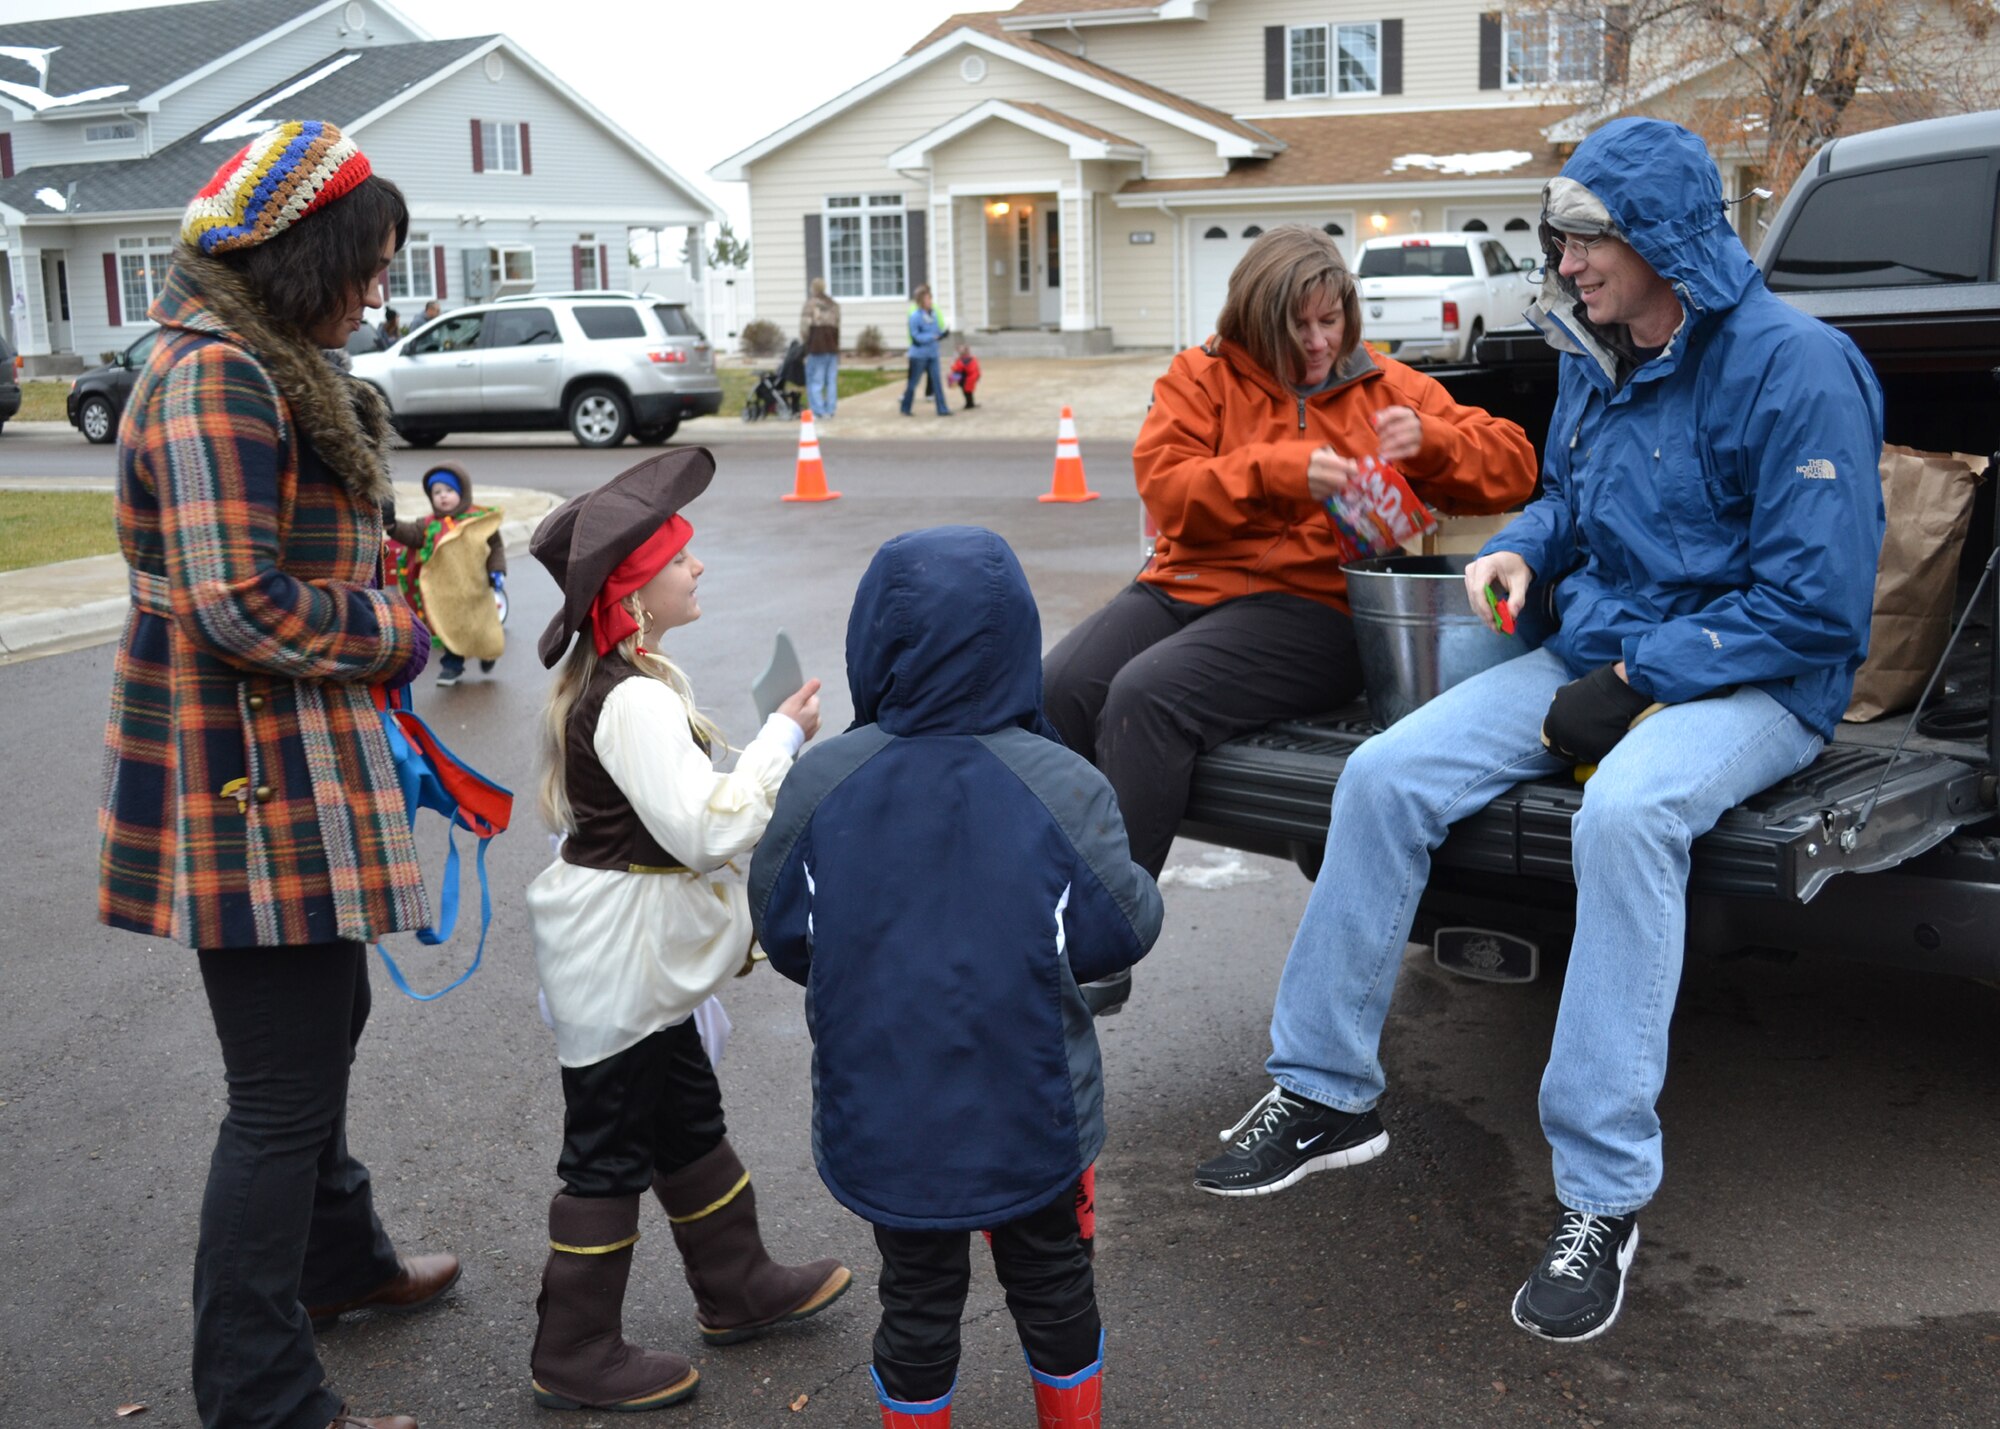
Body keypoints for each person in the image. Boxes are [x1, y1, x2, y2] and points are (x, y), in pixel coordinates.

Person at [1195, 120, 1886, 1343]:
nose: (1561, 266)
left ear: (1658, 240)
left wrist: (1631, 679)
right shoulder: (1595, 349)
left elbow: (1812, 607)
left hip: (1758, 681)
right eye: (1559, 241)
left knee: (1623, 816)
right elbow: (1568, 497)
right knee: (1382, 773)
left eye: (1582, 242)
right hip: (1595, 652)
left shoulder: (1797, 367)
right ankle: (1321, 1090)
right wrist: (1521, 545)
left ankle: (1601, 1196)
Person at [98, 120, 451, 1429]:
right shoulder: (214, 381)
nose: (378, 288)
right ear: (307, 255)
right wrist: (395, 633)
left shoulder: (272, 364)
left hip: (283, 767)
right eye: (368, 264)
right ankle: (259, 1396)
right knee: (278, 1092)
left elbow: (286, 554)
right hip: (244, 781)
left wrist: (392, 562)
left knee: (325, 1027)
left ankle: (338, 1264)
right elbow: (236, 602)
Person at [1042, 223, 1537, 1015]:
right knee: (1059, 686)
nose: (1318, 341)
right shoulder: (1199, 377)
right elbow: (1167, 489)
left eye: (1330, 320)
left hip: (1311, 610)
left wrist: (1435, 443)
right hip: (1186, 581)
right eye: (1297, 325)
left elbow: (1515, 460)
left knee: (1146, 697)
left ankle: (1105, 942)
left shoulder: (1383, 384)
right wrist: (1280, 472)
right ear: (1255, 319)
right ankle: (1037, 904)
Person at [749, 526, 1165, 1429]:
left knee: (917, 1297)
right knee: (1052, 1277)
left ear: (874, 641)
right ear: (1016, 637)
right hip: (1032, 1103)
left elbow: (784, 932)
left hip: (885, 1108)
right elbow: (1120, 929)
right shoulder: (1062, 780)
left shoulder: (822, 779)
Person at [523, 448, 852, 1413]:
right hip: (621, 962)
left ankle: (736, 1283)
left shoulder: (631, 681)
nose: (696, 567)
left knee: (684, 1120)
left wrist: (765, 746)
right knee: (607, 1150)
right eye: (678, 557)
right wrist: (783, 744)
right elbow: (704, 828)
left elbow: (686, 803)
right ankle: (572, 1348)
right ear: (632, 591)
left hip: (636, 960)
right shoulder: (630, 697)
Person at [386, 463, 506, 686]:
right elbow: (411, 536)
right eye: (437, 492)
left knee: (481, 626)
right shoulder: (429, 525)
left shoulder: (479, 520)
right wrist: (392, 526)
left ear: (462, 492)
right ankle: (452, 666)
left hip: (476, 586)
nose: (443, 497)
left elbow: (495, 547)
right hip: (446, 592)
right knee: (451, 626)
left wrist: (497, 571)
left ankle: (489, 652)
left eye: (449, 491)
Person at [899, 285, 951, 417]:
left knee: (937, 382)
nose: (930, 301)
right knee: (913, 383)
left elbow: (936, 331)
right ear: (921, 301)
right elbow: (915, 336)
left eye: (930, 298)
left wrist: (942, 334)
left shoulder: (933, 314)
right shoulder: (915, 316)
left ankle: (942, 409)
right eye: (928, 298)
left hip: (933, 354)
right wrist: (931, 337)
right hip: (918, 356)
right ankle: (905, 407)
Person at [800, 276, 841, 419]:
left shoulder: (810, 305)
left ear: (813, 288)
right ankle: (830, 410)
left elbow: (805, 329)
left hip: (816, 347)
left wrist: (805, 346)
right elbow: (837, 328)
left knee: (816, 380)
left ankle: (818, 411)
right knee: (831, 381)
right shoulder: (834, 305)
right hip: (832, 347)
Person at [947, 341, 980, 410]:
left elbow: (957, 368)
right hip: (972, 377)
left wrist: (951, 364)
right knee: (969, 391)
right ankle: (970, 403)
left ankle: (969, 404)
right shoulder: (972, 358)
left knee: (966, 392)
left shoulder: (963, 360)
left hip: (966, 378)